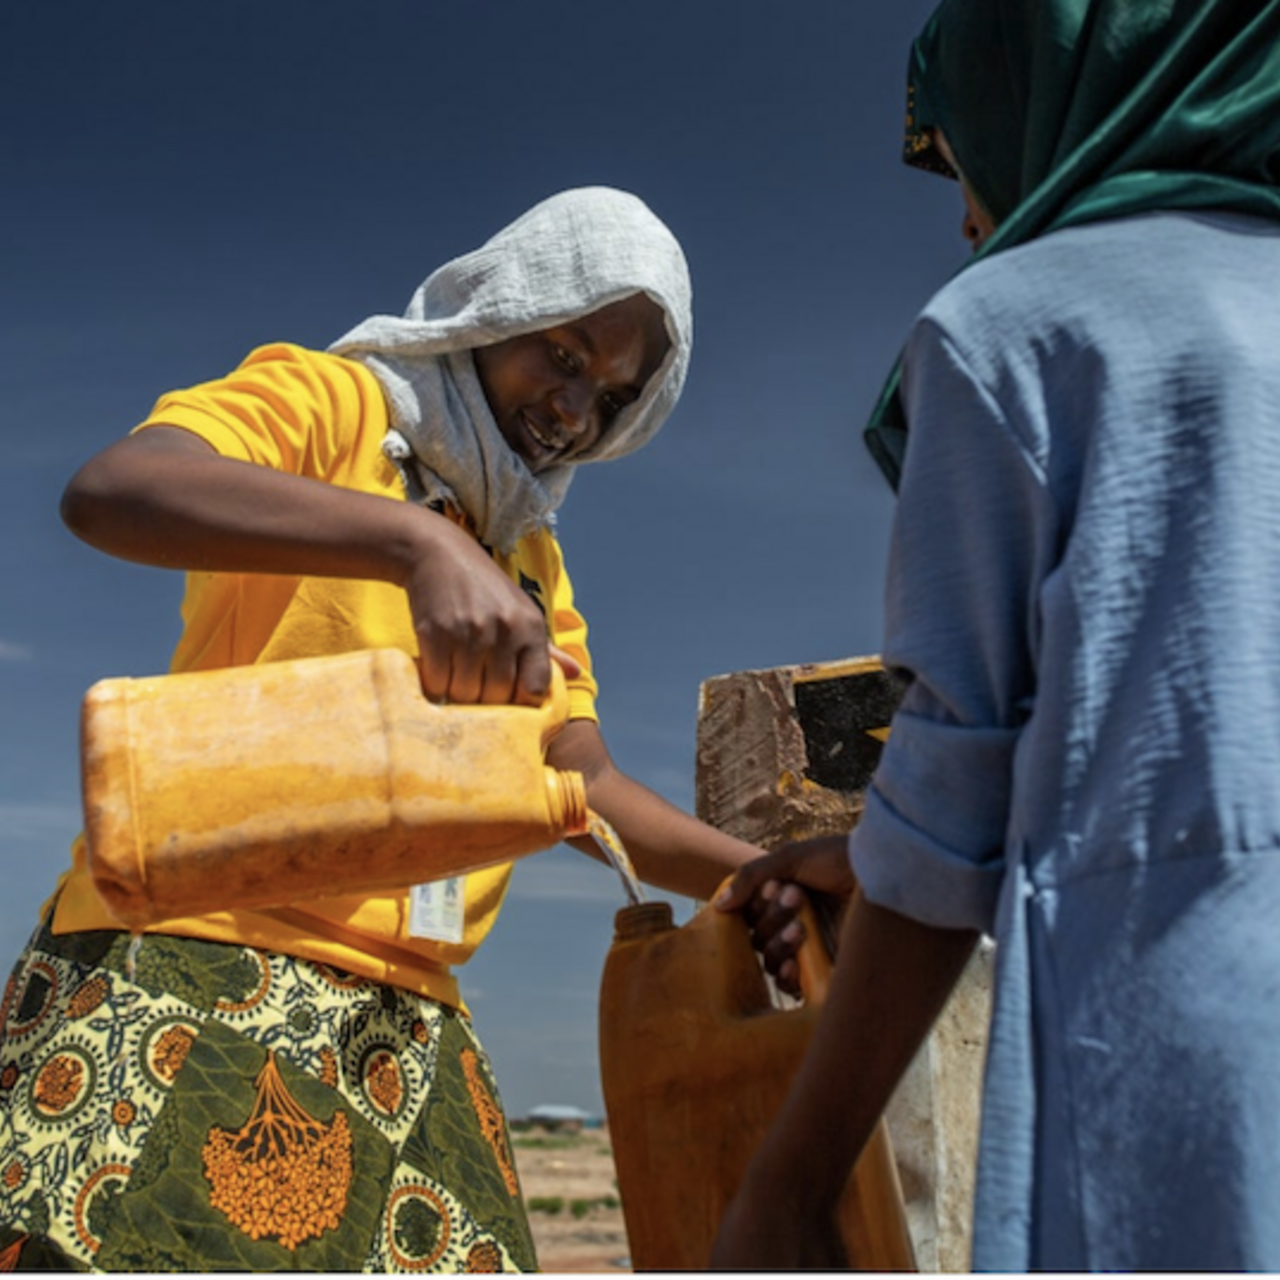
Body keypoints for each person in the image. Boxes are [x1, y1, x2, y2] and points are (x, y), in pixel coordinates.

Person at [0, 187, 789, 1272]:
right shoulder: (329, 404)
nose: (569, 408)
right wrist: (412, 548)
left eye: (609, 396)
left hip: (408, 1019)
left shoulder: (528, 558)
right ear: (493, 309)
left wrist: (765, 876)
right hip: (194, 953)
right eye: (559, 353)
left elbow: (576, 776)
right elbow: (117, 489)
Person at [712, 0, 1280, 1270]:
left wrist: (790, 1180)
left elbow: (962, 770)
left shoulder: (1018, 326)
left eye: (958, 152)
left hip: (1190, 1035)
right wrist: (871, 855)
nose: (968, 214)